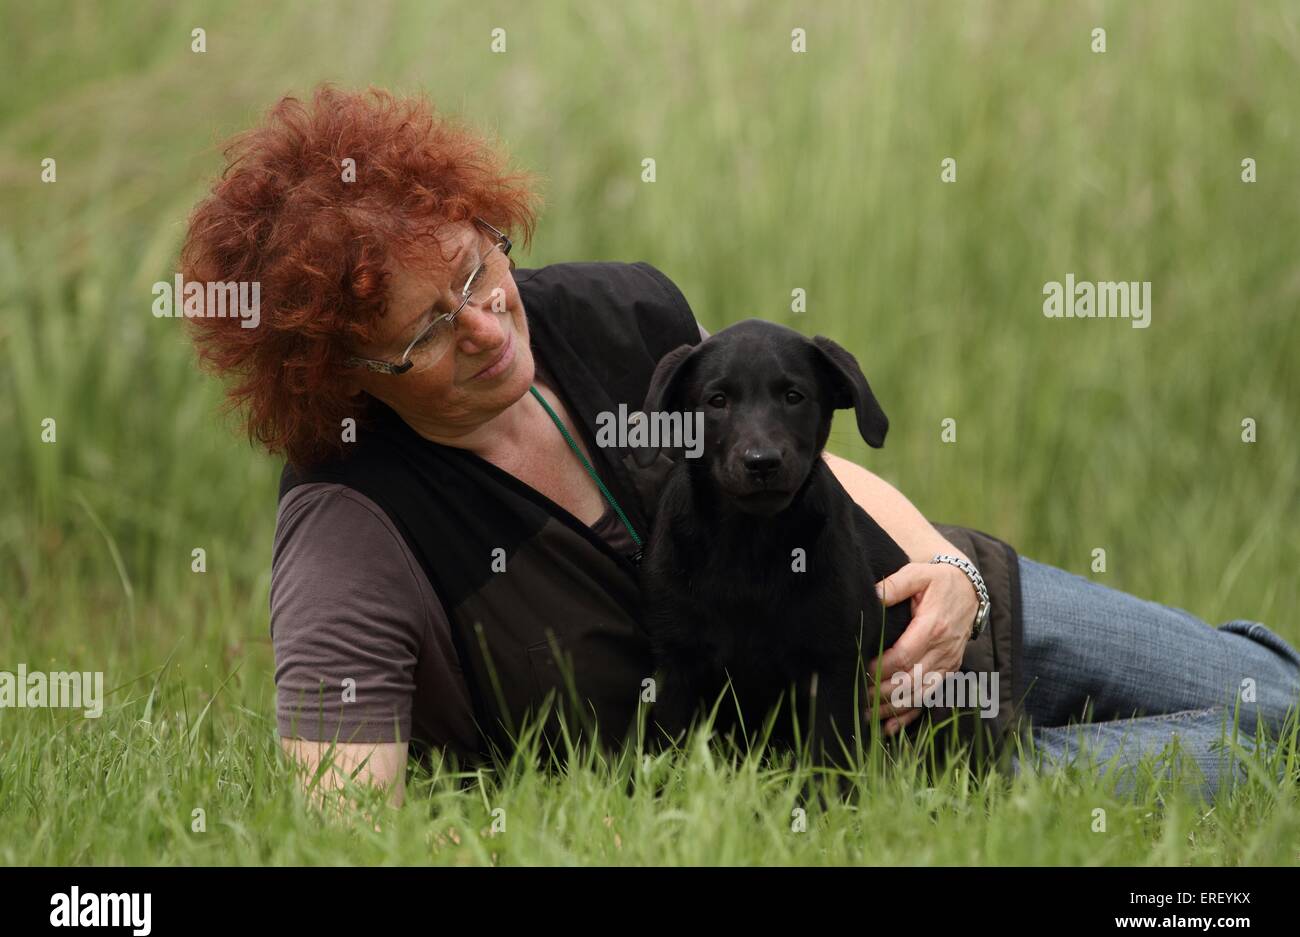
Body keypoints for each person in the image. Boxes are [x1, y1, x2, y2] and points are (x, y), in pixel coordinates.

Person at [181, 85, 1299, 807]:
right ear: (341, 374)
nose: (483, 325)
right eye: (425, 328)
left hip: (936, 598)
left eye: (477, 270)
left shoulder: (614, 315)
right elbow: (334, 816)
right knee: (1273, 738)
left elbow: (801, 448)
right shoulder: (357, 519)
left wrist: (951, 579)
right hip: (863, 772)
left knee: (1275, 693)